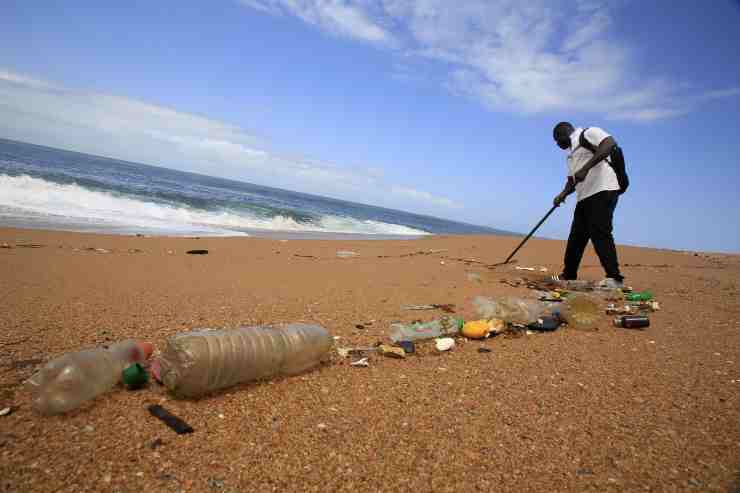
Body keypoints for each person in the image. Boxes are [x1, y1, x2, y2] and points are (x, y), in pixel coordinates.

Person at [552, 121, 624, 288]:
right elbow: (572, 180)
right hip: (584, 197)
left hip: (603, 189)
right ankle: (568, 275)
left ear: (563, 134)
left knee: (600, 233)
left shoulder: (588, 133)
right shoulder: (571, 155)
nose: (557, 144)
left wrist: (586, 168)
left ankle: (614, 278)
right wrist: (562, 195)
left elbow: (609, 143)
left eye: (557, 140)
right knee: (576, 237)